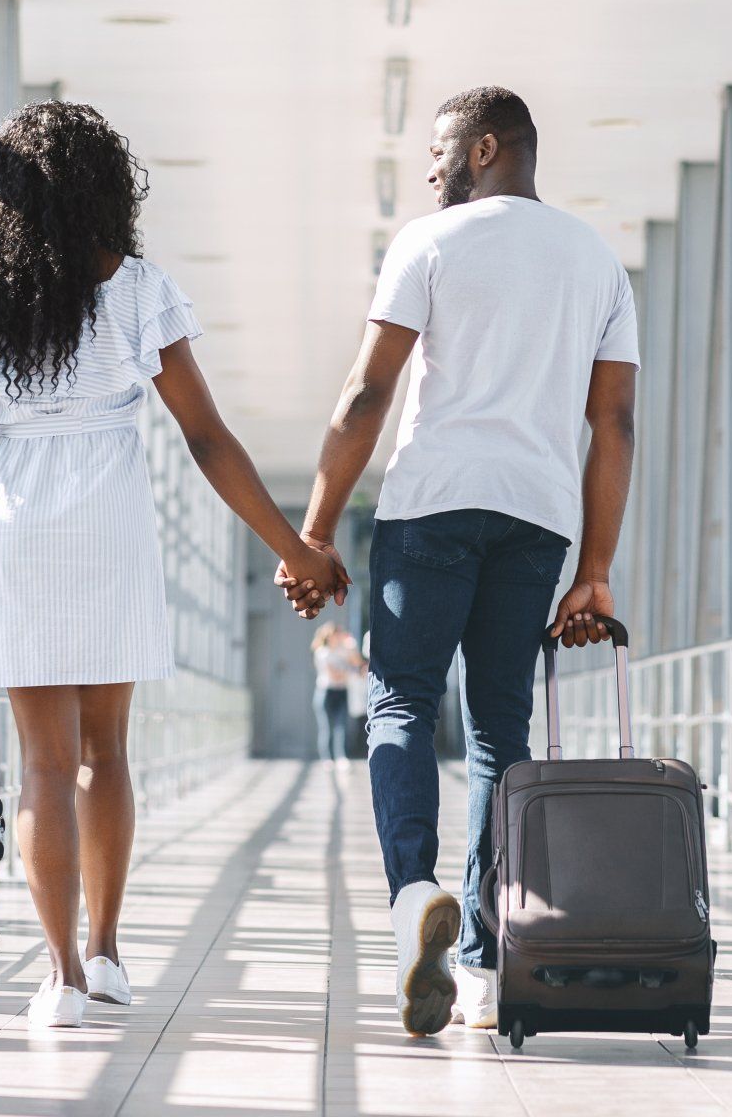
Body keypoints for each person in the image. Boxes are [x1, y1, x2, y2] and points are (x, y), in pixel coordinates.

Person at [0, 102, 346, 1030]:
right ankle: (106, 952)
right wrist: (293, 547)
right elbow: (207, 439)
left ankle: (56, 975)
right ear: (106, 188)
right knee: (106, 754)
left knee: (44, 766)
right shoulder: (138, 289)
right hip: (111, 530)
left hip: (24, 533)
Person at [279, 86, 637, 1036]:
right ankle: (480, 966)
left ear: (486, 149)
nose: (429, 170)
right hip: (536, 519)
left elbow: (367, 395)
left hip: (432, 505)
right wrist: (595, 568)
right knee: (497, 732)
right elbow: (615, 424)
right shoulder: (596, 259)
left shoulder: (428, 245)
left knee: (400, 701)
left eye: (439, 152)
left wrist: (314, 533)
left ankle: (412, 903)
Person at [310, 623, 365, 771]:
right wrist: (350, 671)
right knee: (326, 728)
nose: (339, 637)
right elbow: (335, 674)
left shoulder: (345, 650)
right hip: (326, 693)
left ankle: (341, 757)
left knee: (342, 727)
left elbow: (359, 664)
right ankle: (327, 758)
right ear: (329, 636)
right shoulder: (322, 652)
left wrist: (352, 647)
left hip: (342, 692)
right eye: (336, 634)